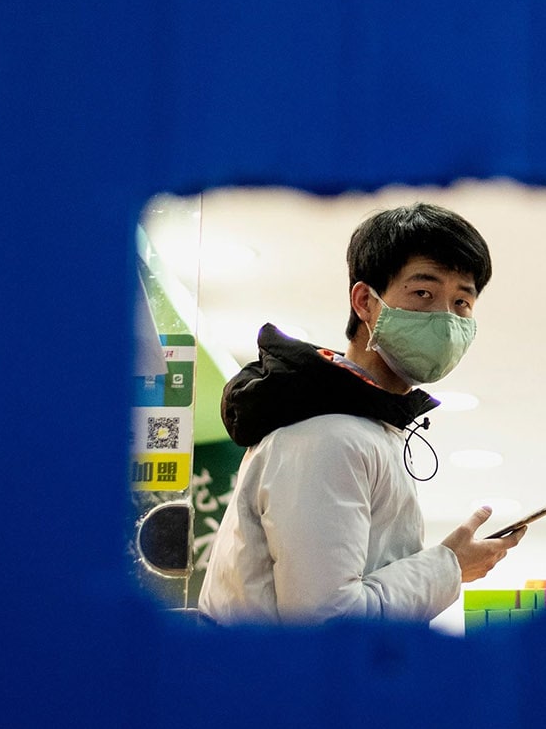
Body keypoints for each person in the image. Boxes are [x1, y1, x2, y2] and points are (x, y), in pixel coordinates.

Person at [197, 202, 528, 624]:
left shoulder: (360, 426)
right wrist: (450, 567)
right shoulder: (328, 435)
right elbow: (327, 621)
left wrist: (447, 567)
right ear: (365, 302)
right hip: (271, 688)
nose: (445, 319)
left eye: (462, 302)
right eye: (423, 293)